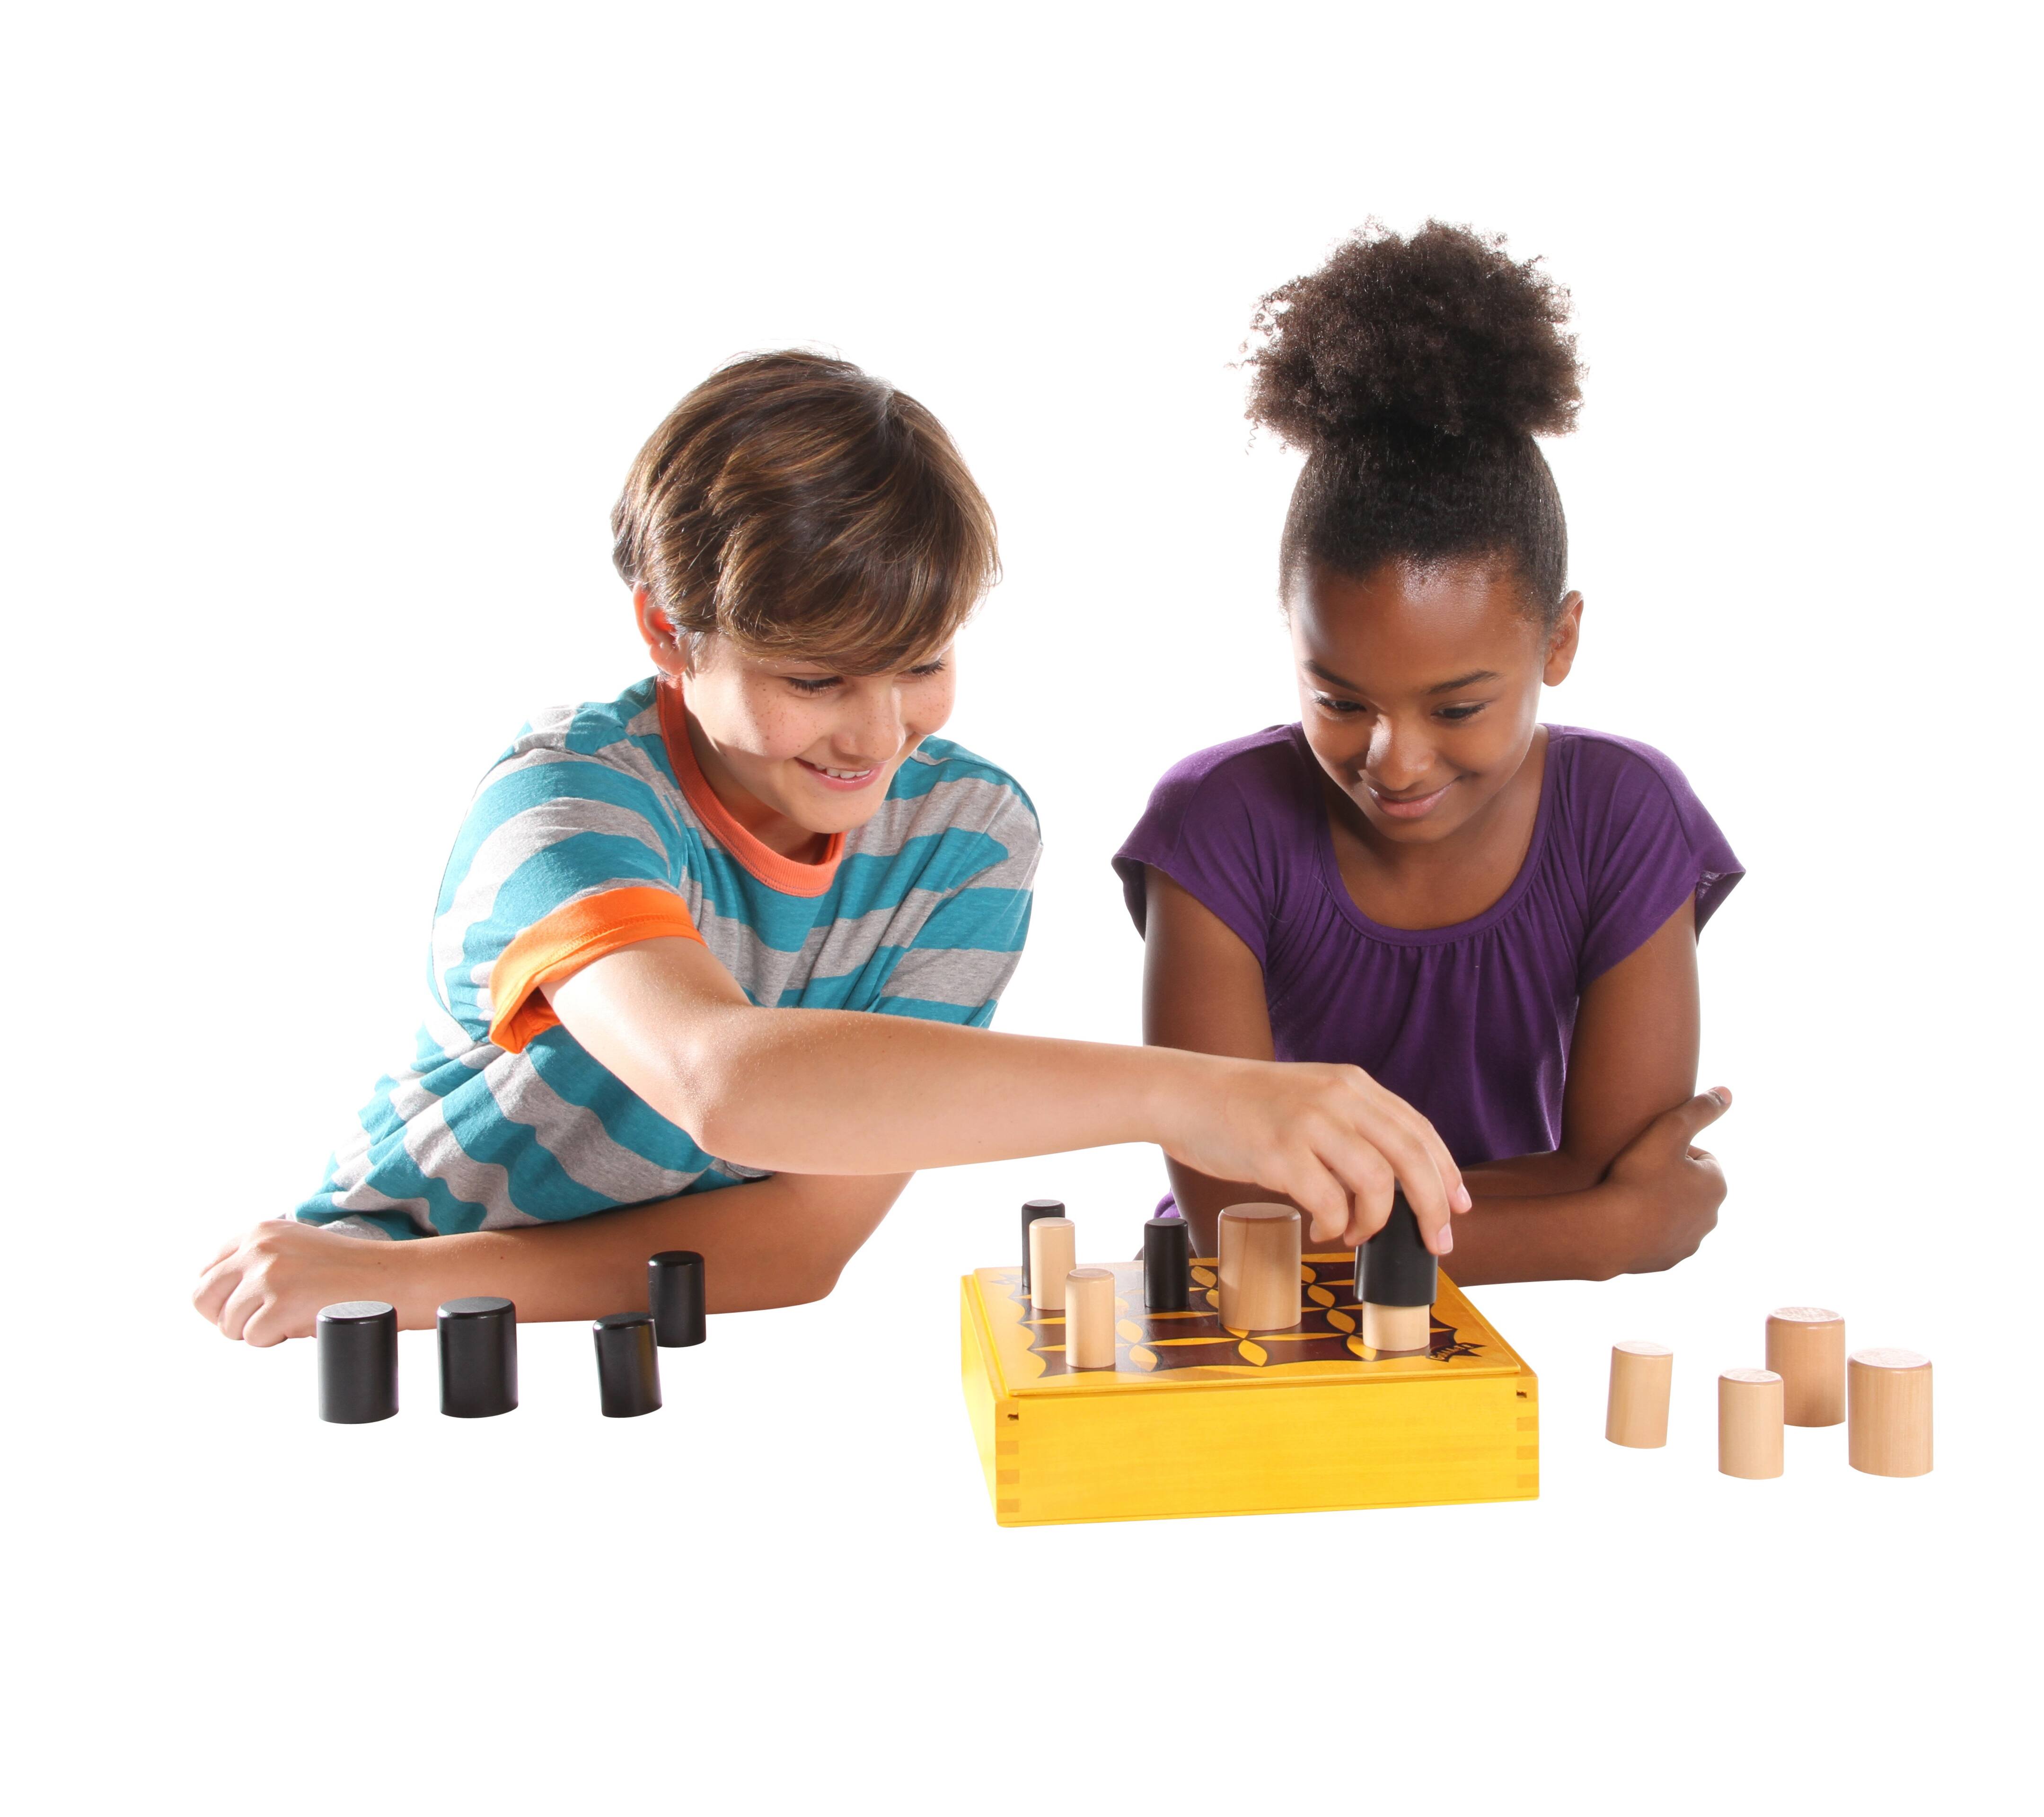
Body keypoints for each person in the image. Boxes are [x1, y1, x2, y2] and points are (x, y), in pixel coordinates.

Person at [196, 351, 1466, 1346]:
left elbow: (800, 1244)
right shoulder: (564, 803)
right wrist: (1193, 1092)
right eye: (814, 680)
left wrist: (435, 1288)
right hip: (365, 1297)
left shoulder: (968, 836)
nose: (876, 735)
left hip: (593, 1315)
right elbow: (719, 1079)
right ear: (668, 633)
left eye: (920, 665)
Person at [1115, 225, 1740, 1283]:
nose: (1395, 762)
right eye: (1339, 700)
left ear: (1559, 642)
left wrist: (1333, 1223)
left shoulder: (1625, 816)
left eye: (1457, 708)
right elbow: (1237, 1224)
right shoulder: (1217, 825)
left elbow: (1609, 1163)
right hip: (1251, 1333)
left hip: (1497, 1333)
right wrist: (1603, 1232)